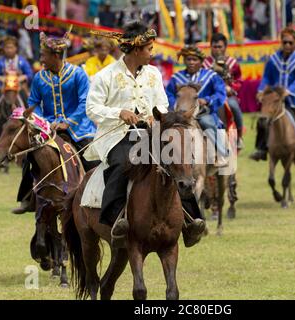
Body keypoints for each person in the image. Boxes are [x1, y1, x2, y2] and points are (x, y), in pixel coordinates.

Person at [84, 21, 206, 249]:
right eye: (149, 48)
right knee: (124, 163)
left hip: (150, 134)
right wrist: (119, 112)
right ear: (136, 49)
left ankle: (191, 221)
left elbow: (162, 102)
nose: (152, 52)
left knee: (177, 161)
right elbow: (92, 108)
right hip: (116, 135)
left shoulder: (154, 74)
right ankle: (116, 221)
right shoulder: (105, 76)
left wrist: (154, 116)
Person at [11, 29, 98, 214]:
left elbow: (85, 102)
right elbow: (33, 102)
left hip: (79, 128)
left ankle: (98, 196)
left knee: (92, 158)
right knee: (30, 156)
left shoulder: (78, 74)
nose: (41, 59)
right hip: (48, 128)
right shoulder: (39, 78)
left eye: (43, 55)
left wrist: (69, 121)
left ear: (56, 55)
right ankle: (27, 198)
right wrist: (44, 121)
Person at [250, 27, 295, 164]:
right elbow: (267, 78)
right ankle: (261, 148)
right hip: (275, 99)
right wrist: (261, 91)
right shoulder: (273, 59)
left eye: (291, 43)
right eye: (285, 42)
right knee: (263, 119)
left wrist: (289, 91)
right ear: (281, 43)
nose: (287, 45)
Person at [165, 45, 229, 167]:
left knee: (207, 123)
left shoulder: (211, 76)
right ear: (184, 60)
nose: (191, 62)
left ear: (201, 61)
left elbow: (220, 93)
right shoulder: (176, 78)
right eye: (188, 59)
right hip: (180, 114)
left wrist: (207, 100)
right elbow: (168, 95)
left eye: (195, 60)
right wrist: (176, 104)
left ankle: (222, 154)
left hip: (203, 113)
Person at [0, 36, 33, 144]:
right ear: (4, 49)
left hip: (18, 89)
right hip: (3, 89)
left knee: (28, 106)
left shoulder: (22, 61)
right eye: (7, 47)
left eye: (11, 47)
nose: (9, 50)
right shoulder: (0, 62)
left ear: (16, 48)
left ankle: (31, 128)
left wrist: (24, 77)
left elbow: (30, 74)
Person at [203, 33, 244, 149]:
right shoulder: (204, 63)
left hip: (228, 96)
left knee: (234, 106)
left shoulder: (232, 63)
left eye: (220, 47)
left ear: (225, 47)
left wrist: (231, 88)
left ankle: (239, 137)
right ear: (210, 47)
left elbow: (239, 80)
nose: (217, 50)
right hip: (210, 96)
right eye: (215, 47)